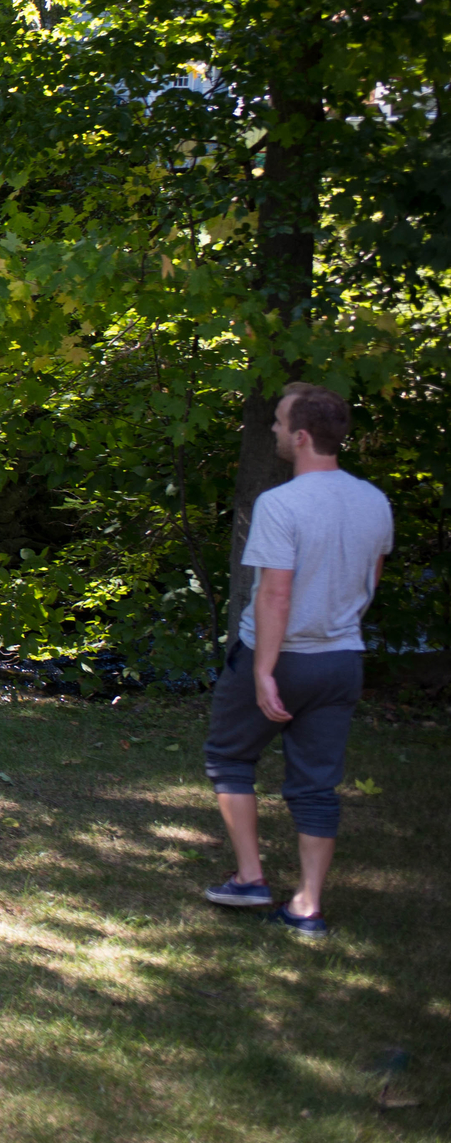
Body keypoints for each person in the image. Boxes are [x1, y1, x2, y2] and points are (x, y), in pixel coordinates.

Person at [202, 382, 392, 938]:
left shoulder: (281, 503)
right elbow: (369, 582)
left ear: (303, 436)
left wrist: (263, 669)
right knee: (316, 785)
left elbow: (274, 594)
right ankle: (307, 906)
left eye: (280, 424)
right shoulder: (373, 501)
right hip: (342, 660)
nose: (275, 431)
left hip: (282, 656)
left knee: (229, 758)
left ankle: (250, 877)